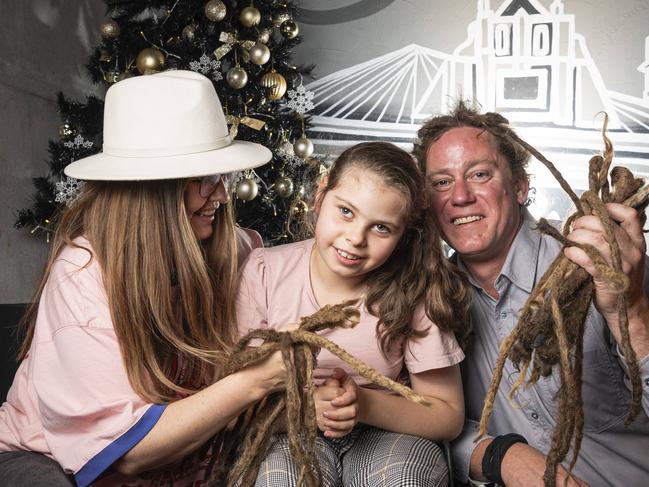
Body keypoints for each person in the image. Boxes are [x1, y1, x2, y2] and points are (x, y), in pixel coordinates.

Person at [0, 70, 288, 486]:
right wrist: (255, 381)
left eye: (223, 177)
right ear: (154, 192)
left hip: (179, 465)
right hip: (51, 461)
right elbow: (126, 453)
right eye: (206, 180)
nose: (223, 196)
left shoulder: (237, 248)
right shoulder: (82, 275)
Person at [413, 101, 649, 487]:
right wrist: (500, 455)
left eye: (479, 174)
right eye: (441, 182)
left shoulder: (601, 259)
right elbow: (427, 420)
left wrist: (634, 308)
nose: (459, 196)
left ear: (520, 187)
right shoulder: (428, 301)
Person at [236, 141, 471, 486]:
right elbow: (234, 399)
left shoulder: (413, 288)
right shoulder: (265, 272)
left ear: (403, 234)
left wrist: (363, 406)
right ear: (320, 195)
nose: (355, 238)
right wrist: (306, 408)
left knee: (404, 478)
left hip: (388, 430)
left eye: (381, 228)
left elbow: (447, 415)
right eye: (346, 211)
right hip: (287, 430)